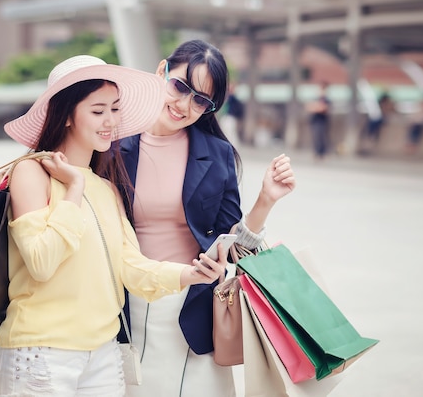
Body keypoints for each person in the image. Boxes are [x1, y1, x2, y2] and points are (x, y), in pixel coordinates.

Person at [0, 54, 227, 397]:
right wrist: (73, 188)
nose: (110, 121)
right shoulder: (31, 173)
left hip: (104, 356)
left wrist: (189, 275)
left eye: (115, 109)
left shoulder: (106, 189)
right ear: (68, 114)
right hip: (42, 353)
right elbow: (41, 263)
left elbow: (129, 268)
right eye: (97, 110)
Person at [116, 40, 296, 397]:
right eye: (180, 86)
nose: (184, 105)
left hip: (192, 306)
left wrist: (266, 200)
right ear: (161, 71)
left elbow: (233, 247)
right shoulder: (112, 141)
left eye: (200, 100)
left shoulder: (216, 153)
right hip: (124, 305)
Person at [306, 81, 331, 160]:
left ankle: (322, 153)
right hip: (314, 121)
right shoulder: (316, 98)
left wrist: (317, 107)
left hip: (322, 121)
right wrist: (317, 107)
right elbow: (309, 107)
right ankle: (316, 153)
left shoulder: (326, 99)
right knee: (315, 137)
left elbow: (323, 109)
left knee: (322, 137)